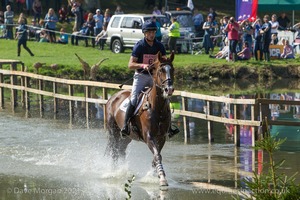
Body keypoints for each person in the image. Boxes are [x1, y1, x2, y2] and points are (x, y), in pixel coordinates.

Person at [120, 20, 167, 136]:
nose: (152, 34)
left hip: (154, 78)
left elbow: (164, 61)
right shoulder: (139, 46)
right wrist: (142, 65)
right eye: (149, 32)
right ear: (144, 33)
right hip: (141, 76)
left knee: (164, 97)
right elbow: (130, 65)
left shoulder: (159, 46)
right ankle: (126, 125)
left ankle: (169, 126)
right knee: (134, 99)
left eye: (153, 32)